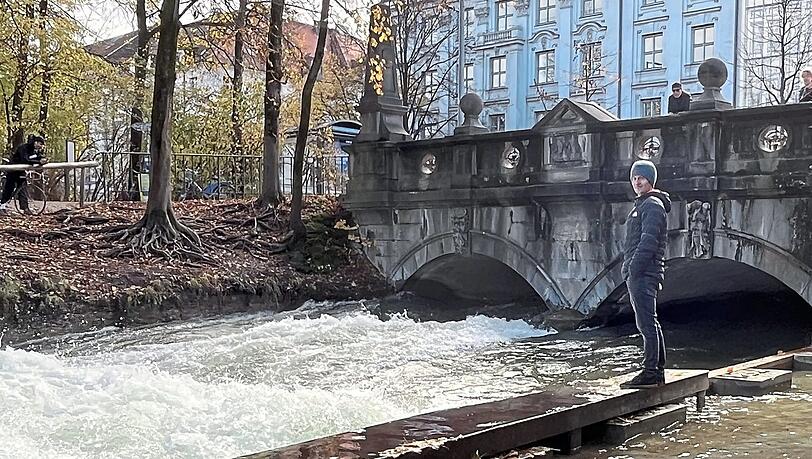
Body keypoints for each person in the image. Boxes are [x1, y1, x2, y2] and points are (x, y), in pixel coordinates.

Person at [620, 160, 672, 389]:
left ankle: (651, 371)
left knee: (646, 324)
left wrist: (632, 269)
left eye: (641, 178)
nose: (637, 182)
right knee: (650, 322)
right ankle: (657, 369)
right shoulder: (643, 205)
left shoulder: (651, 205)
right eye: (634, 178)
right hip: (642, 272)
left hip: (644, 272)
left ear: (650, 180)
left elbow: (648, 242)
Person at [0, 134, 48, 215]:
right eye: (40, 144)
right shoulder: (23, 148)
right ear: (35, 142)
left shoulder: (35, 151)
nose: (41, 146)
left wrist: (43, 160)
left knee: (23, 189)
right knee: (9, 189)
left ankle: (25, 208)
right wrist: (38, 162)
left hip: (21, 171)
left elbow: (37, 158)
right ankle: (2, 206)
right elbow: (24, 159)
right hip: (13, 170)